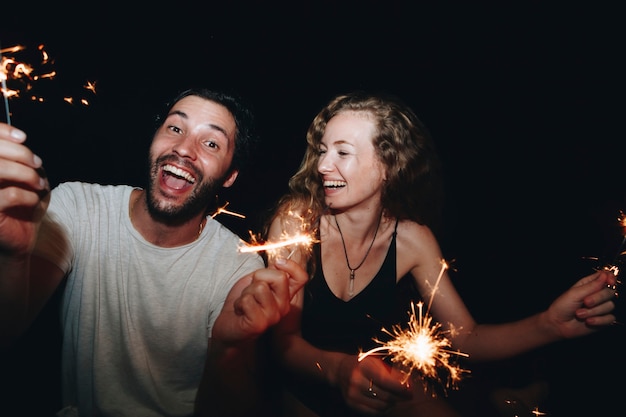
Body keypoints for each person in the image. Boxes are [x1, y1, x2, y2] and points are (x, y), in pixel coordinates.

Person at [263, 91, 619, 417]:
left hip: (382, 390)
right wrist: (341, 371)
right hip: (302, 393)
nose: (324, 165)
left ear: (388, 166)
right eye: (323, 150)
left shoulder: (412, 240)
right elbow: (284, 346)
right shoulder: (297, 223)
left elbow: (466, 338)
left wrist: (550, 324)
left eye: (342, 152)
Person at [0, 87, 308, 417]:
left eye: (211, 143)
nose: (184, 149)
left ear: (230, 175)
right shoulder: (79, 207)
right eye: (175, 128)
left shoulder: (238, 269)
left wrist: (228, 348)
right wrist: (13, 256)